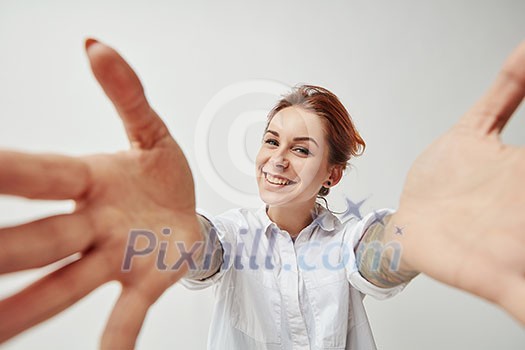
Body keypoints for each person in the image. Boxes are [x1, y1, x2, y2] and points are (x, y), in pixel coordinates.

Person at [0, 38, 524, 349]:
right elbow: (207, 252)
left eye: (301, 149)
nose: (276, 159)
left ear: (332, 174)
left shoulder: (350, 238)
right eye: (272, 141)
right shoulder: (231, 234)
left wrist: (414, 235)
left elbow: (378, 254)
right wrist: (179, 236)